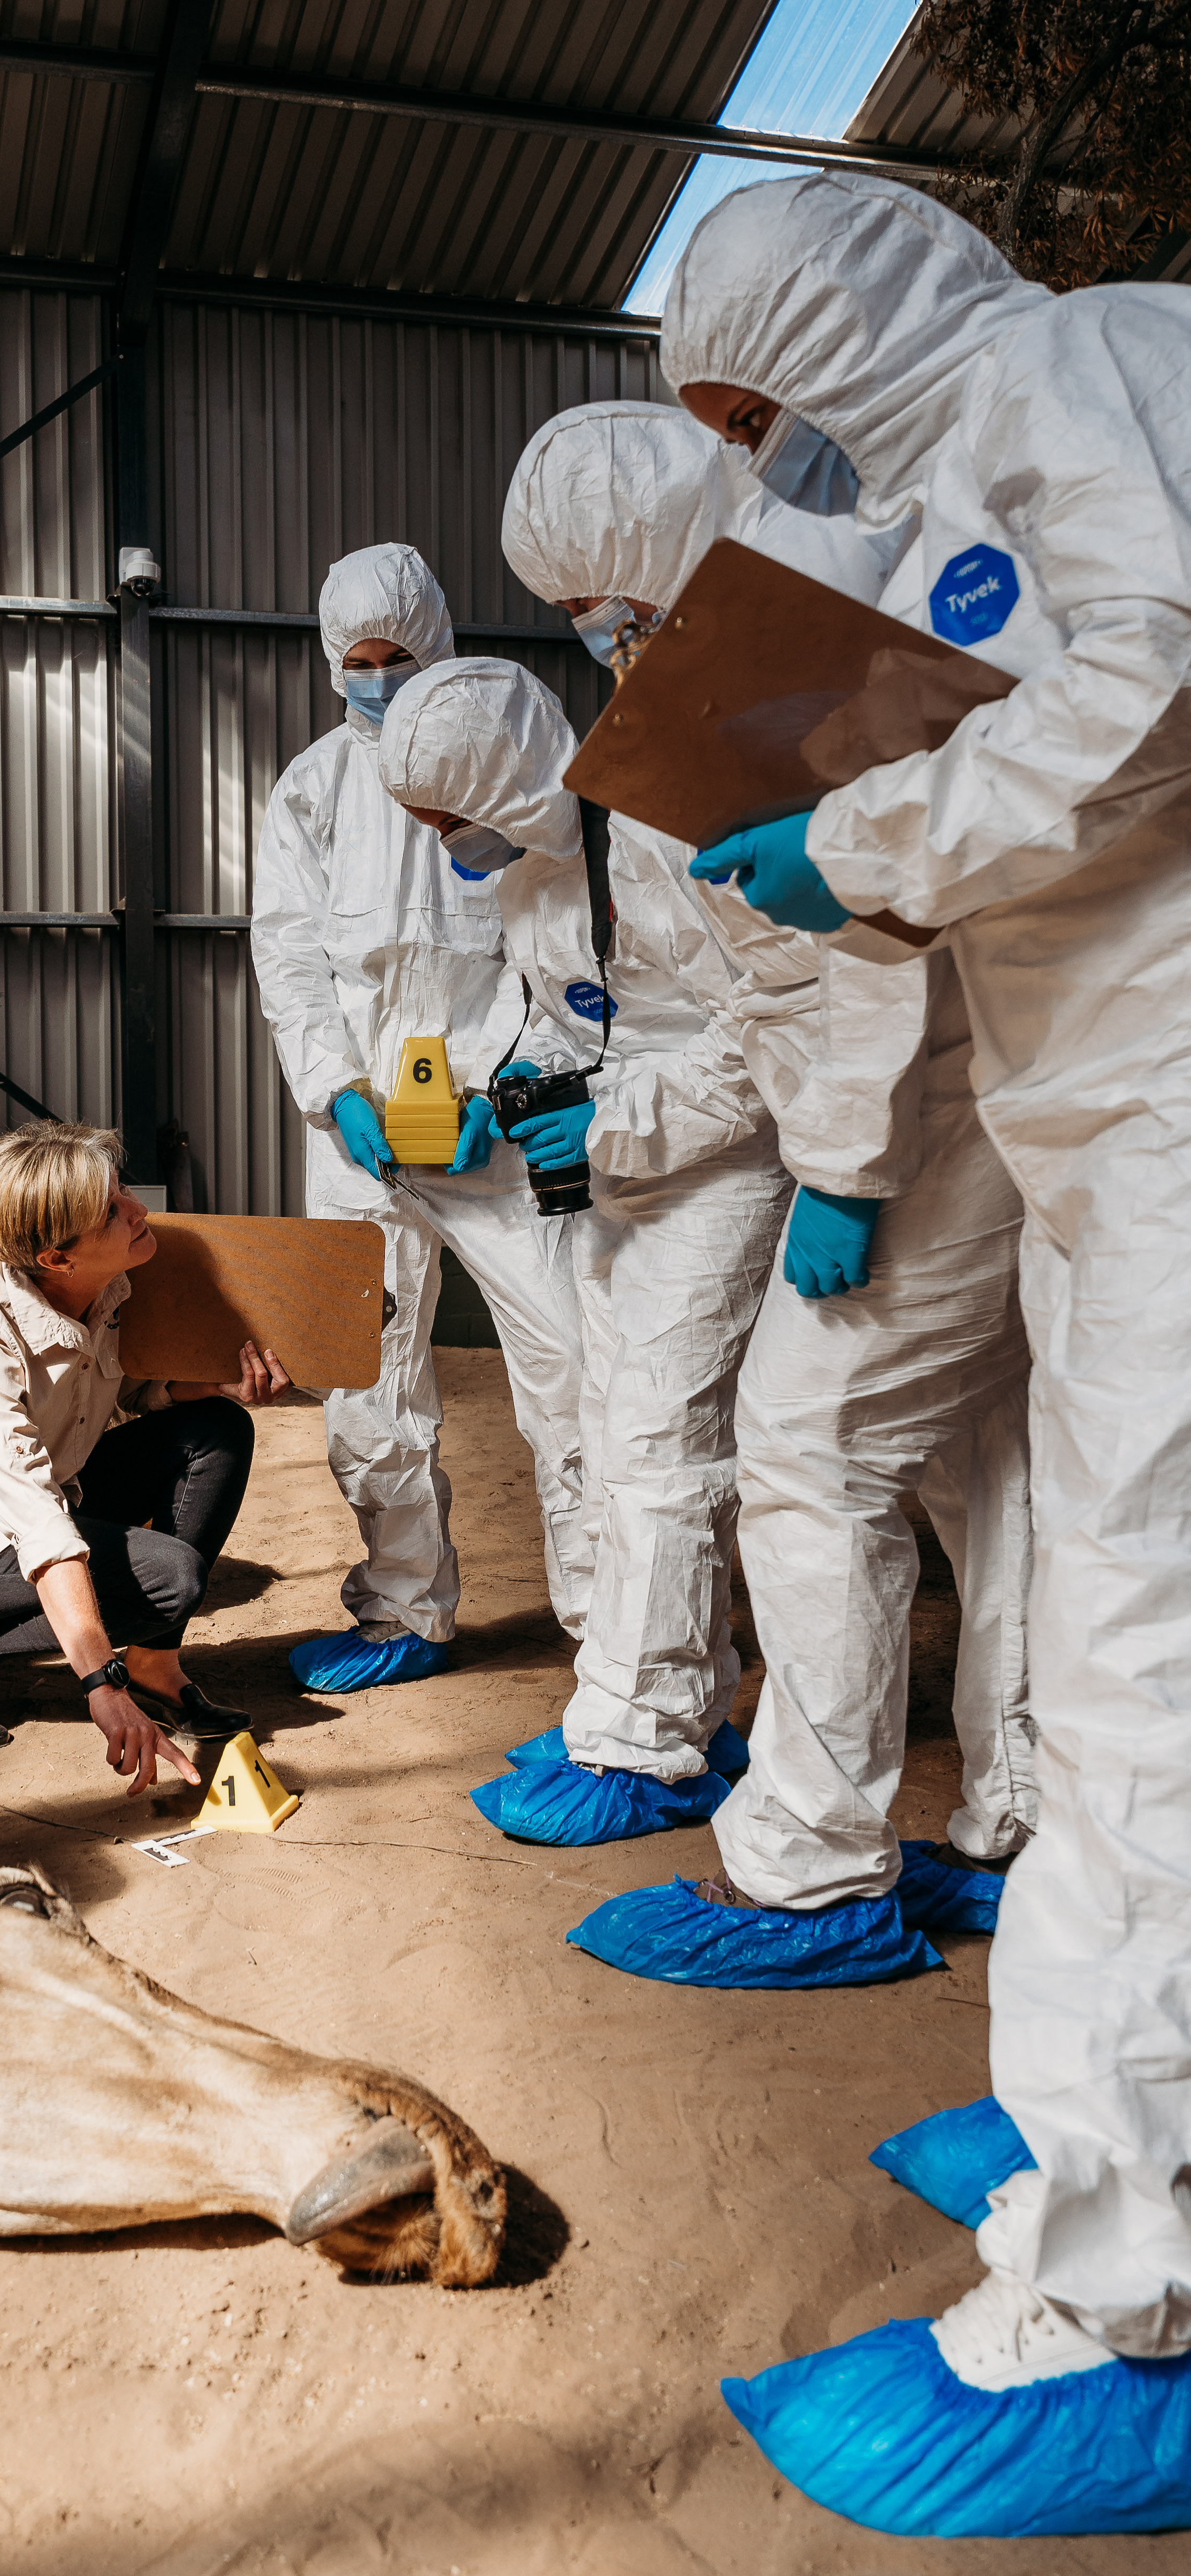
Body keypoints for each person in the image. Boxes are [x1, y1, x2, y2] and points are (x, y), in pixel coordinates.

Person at [659, 168, 1191, 2536]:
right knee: (1095, 1629)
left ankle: (1112, 2285)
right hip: (1098, 1119)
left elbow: (1143, 668)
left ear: (837, 314)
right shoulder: (964, 460)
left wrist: (856, 835)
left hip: (1170, 1103)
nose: (768, 449)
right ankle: (1115, 2120)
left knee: (1137, 1650)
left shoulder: (1073, 367)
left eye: (761, 397)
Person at [486, 406, 1036, 1987]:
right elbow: (782, 997)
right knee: (992, 1479)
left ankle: (813, 1867)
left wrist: (844, 1173)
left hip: (942, 1126)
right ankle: (1015, 1817)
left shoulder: (768, 668)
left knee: (808, 1454)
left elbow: (850, 977)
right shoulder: (795, 644)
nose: (604, 636)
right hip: (973, 1114)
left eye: (619, 600)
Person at [373, 586, 808, 1843]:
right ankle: (647, 1693)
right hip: (624, 1175)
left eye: (450, 815)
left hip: (719, 1165)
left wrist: (608, 1120)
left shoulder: (662, 835)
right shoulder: (530, 863)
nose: (445, 841)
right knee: (609, 1436)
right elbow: (555, 1007)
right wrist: (502, 1082)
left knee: (665, 1445)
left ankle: (651, 1746)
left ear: (504, 782)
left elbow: (759, 1033)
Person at [250, 542, 591, 1693]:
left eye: (402, 655)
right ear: (328, 659)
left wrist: (516, 1086)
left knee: (573, 1371)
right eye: (360, 659)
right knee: (367, 1383)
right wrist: (335, 1090)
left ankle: (610, 1630)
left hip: (496, 1133)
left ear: (441, 644)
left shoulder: (510, 766)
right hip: (358, 1140)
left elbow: (568, 960)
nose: (381, 677)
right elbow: (290, 958)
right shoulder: (308, 790)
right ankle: (401, 1608)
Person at [0, 1121, 288, 1794]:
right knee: (170, 1579)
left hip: (59, 1487)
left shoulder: (107, 1281)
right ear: (57, 1257)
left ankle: (155, 1661)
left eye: (121, 1191)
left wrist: (216, 1383)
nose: (139, 1210)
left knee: (216, 1429)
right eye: (115, 1212)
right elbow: (36, 1521)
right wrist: (98, 1682)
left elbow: (129, 1386)